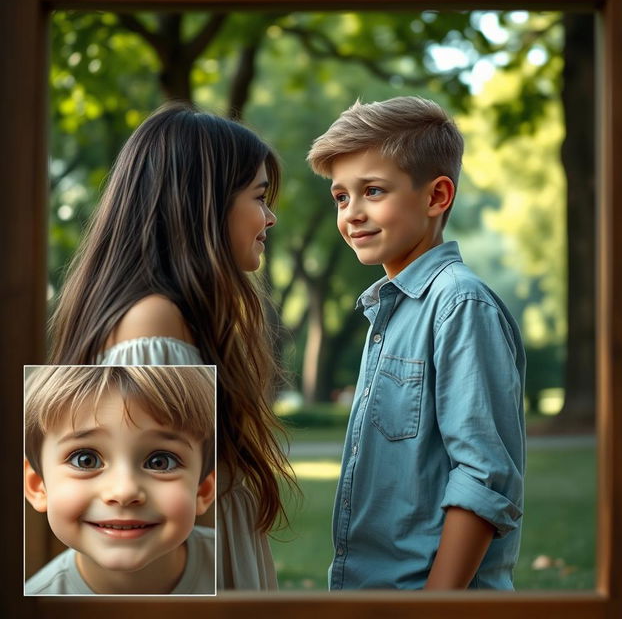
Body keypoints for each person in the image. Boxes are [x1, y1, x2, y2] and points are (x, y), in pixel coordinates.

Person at [48, 102, 295, 590]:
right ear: (203, 201)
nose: (269, 219)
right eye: (259, 198)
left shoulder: (166, 316)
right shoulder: (152, 325)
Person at [307, 96, 526, 590]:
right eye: (341, 197)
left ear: (436, 196)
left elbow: (483, 477)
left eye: (373, 191)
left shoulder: (459, 305)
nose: (352, 214)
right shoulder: (390, 309)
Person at [24, 365, 216, 595]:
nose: (124, 492)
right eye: (86, 460)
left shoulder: (237, 570)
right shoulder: (32, 607)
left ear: (202, 490)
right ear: (38, 487)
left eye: (160, 462)